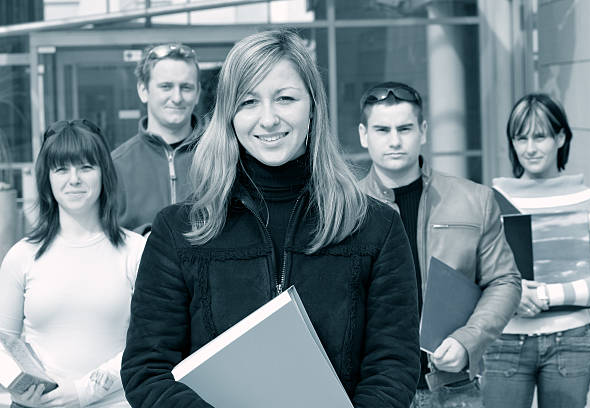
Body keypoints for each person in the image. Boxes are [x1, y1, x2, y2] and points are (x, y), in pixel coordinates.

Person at [120, 29, 421, 407]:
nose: (268, 119)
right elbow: (147, 370)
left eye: (285, 98)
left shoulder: (375, 227)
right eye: (248, 101)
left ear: (313, 106)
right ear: (229, 115)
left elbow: (393, 366)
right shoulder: (178, 231)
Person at [357, 81, 522, 407]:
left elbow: (505, 281)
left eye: (404, 128)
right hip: (374, 389)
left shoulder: (475, 200)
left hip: (453, 388)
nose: (394, 141)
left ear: (424, 131)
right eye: (382, 130)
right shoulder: (343, 209)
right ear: (364, 135)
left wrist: (468, 340)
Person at [0, 119, 146, 407]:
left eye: (86, 167)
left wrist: (83, 391)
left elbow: (147, 344)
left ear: (104, 174)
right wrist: (17, 388)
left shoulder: (136, 251)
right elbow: (3, 342)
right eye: (62, 169)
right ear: (47, 179)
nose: (74, 179)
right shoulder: (21, 256)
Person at [482, 93, 590, 408]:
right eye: (520, 137)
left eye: (539, 136)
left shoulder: (587, 199)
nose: (529, 148)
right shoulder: (490, 200)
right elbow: (474, 278)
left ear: (561, 137)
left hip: (571, 343)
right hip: (503, 344)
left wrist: (543, 296)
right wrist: (509, 295)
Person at [112, 42, 202, 234]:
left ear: (197, 94)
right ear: (143, 90)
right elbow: (104, 238)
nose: (177, 97)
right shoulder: (115, 166)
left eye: (186, 87)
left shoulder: (224, 157)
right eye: (166, 87)